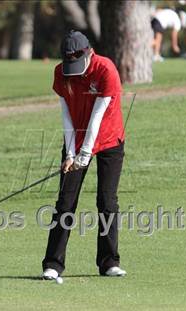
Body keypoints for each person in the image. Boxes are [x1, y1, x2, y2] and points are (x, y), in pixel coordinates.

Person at [41, 30, 126, 280]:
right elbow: (66, 114)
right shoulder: (61, 72)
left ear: (89, 53)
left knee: (107, 201)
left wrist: (85, 153)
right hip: (76, 139)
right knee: (65, 202)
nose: (73, 68)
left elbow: (98, 115)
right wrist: (70, 153)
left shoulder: (105, 70)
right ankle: (53, 264)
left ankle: (109, 262)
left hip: (109, 139)